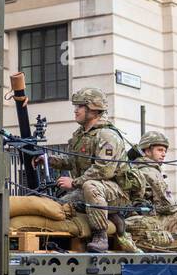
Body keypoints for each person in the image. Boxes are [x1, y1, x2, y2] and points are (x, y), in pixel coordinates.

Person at [49, 89, 128, 253]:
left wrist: (74, 182)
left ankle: (101, 236)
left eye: (80, 106)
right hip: (92, 191)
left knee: (90, 186)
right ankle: (112, 217)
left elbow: (103, 170)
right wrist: (49, 160)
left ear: (93, 109)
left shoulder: (107, 135)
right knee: (58, 206)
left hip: (116, 192)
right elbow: (72, 161)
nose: (76, 110)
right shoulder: (80, 135)